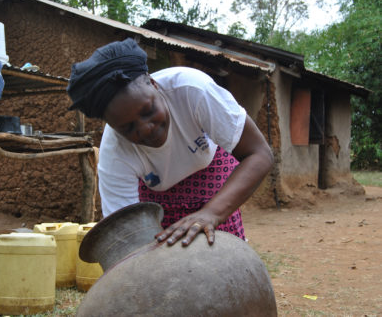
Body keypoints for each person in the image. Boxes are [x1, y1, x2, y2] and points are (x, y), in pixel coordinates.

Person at [67, 38, 273, 246]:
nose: (146, 128)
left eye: (148, 111)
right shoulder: (115, 152)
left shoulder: (193, 90)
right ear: (112, 125)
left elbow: (259, 154)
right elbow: (127, 232)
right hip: (156, 197)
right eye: (128, 128)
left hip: (212, 176)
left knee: (223, 252)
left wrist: (212, 213)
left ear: (155, 85)